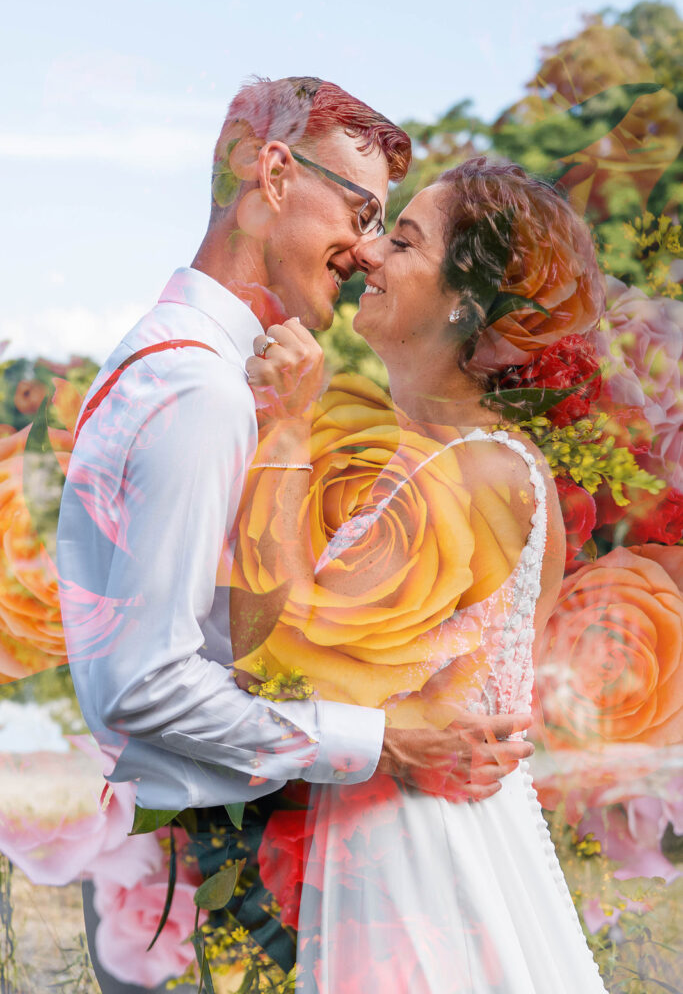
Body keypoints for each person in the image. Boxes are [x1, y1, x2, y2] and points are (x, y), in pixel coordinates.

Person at [56, 82, 532, 992]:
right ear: (272, 171)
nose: (363, 249)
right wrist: (382, 742)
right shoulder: (200, 390)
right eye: (360, 210)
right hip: (206, 873)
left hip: (188, 861)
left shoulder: (174, 362)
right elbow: (142, 682)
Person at [237, 157, 609, 992]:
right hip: (431, 834)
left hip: (417, 861)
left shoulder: (472, 475)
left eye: (401, 240)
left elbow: (272, 657)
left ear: (463, 304)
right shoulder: (462, 461)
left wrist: (286, 430)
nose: (367, 253)